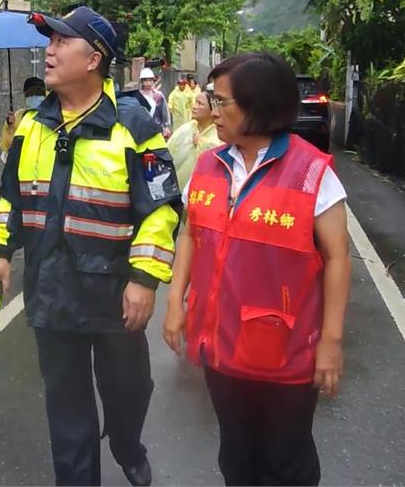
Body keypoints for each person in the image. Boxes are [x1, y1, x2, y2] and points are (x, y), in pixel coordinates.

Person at [0, 7, 181, 487]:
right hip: (50, 290)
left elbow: (161, 210)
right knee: (67, 408)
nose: (48, 52)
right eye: (48, 42)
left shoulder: (134, 127)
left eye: (60, 42)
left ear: (93, 58)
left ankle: (127, 443)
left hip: (114, 295)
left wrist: (143, 281)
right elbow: (11, 196)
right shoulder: (32, 126)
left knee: (128, 389)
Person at [162, 53, 351, 486]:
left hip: (286, 355)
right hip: (221, 347)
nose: (212, 109)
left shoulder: (311, 174)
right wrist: (175, 301)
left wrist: (331, 342)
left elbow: (338, 257)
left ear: (259, 106)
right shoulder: (211, 165)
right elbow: (190, 234)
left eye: (222, 101)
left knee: (286, 460)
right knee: (237, 455)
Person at [166, 83, 222, 191]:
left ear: (213, 110)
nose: (194, 107)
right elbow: (169, 150)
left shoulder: (219, 132)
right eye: (195, 102)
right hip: (177, 191)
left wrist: (201, 142)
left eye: (200, 104)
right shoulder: (186, 129)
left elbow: (218, 153)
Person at [0, 76, 47, 153]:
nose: (34, 96)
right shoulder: (17, 117)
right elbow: (7, 146)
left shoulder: (53, 114)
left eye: (38, 93)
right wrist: (10, 126)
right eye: (30, 94)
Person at [138, 67, 171, 137]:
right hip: (143, 129)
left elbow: (164, 111)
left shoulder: (158, 95)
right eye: (146, 81)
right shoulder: (138, 96)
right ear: (142, 82)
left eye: (150, 80)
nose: (148, 83)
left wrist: (167, 127)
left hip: (157, 128)